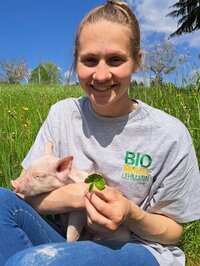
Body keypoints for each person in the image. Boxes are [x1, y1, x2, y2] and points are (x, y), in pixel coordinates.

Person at [0, 1, 200, 265]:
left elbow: (173, 231)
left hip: (136, 246)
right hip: (67, 239)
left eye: (116, 59)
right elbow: (23, 196)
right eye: (90, 60)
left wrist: (130, 213)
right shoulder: (62, 114)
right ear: (76, 61)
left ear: (137, 61)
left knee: (34, 261)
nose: (102, 75)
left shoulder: (170, 134)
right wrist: (75, 196)